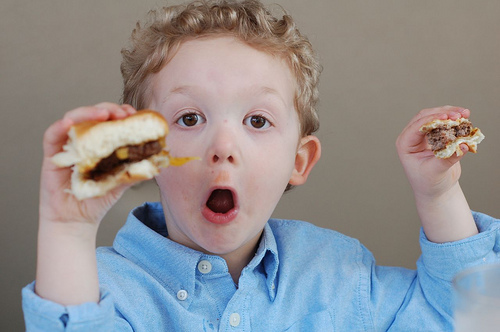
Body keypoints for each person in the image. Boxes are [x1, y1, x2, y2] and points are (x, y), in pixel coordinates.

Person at [22, 0, 499, 331]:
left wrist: (437, 194)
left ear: (298, 160)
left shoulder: (337, 275)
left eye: (257, 120)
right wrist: (67, 229)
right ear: (144, 153)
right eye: (190, 117)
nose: (223, 146)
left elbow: (478, 318)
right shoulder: (100, 291)